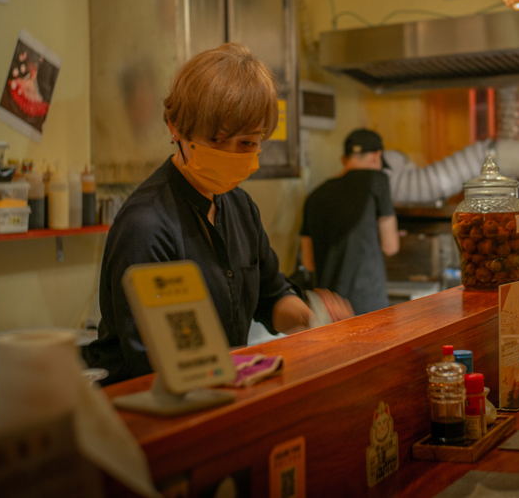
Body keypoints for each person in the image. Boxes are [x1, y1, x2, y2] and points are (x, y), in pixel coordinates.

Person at [85, 44, 348, 385]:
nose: (231, 153)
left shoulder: (240, 208)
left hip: (214, 395)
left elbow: (270, 295)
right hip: (147, 409)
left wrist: (310, 317)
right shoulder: (146, 225)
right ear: (175, 128)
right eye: (218, 139)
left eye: (248, 143)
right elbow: (154, 362)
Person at [300, 129, 400, 315]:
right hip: (367, 304)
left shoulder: (314, 196)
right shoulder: (377, 180)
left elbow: (308, 262)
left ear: (343, 159)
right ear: (376, 156)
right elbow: (390, 246)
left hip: (329, 307)